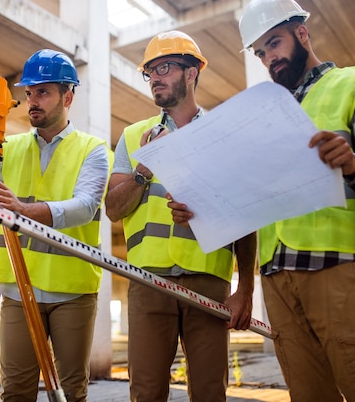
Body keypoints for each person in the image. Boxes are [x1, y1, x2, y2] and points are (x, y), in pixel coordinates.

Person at [235, 0, 355, 402]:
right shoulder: (266, 116)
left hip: (342, 272)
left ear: (302, 33)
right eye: (259, 53)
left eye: (274, 44)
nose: (268, 59)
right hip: (278, 278)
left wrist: (351, 164)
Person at [105, 30, 257, 402]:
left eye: (166, 67)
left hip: (208, 282)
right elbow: (113, 210)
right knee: (147, 393)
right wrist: (144, 169)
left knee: (209, 393)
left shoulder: (224, 136)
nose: (155, 77)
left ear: (192, 73)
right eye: (151, 71)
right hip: (148, 282)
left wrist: (246, 290)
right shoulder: (132, 136)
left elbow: (246, 218)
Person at [0, 49, 110, 402]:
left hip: (73, 293)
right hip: (18, 289)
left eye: (43, 92)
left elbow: (85, 207)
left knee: (71, 391)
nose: (32, 101)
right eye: (29, 93)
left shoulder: (93, 150)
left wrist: (21, 211)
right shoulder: (8, 146)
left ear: (68, 96)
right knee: (15, 391)